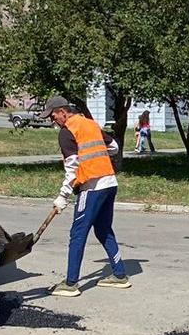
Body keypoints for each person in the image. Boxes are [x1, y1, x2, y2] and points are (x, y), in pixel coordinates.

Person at [41, 96, 129, 297]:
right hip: (109, 183)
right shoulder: (89, 124)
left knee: (78, 234)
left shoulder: (66, 132)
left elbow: (72, 169)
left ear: (63, 111)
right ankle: (120, 275)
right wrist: (96, 155)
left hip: (91, 187)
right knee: (103, 230)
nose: (52, 120)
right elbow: (114, 146)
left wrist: (62, 196)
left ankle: (71, 283)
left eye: (53, 116)